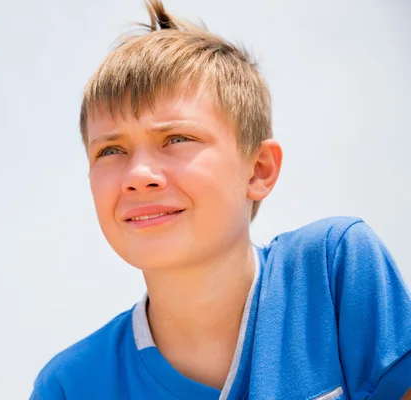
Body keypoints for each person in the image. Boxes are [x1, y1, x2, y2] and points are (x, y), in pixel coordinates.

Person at [29, 1, 411, 398]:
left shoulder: (330, 270)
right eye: (110, 151)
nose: (138, 175)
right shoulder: (69, 386)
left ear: (259, 169)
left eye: (177, 139)